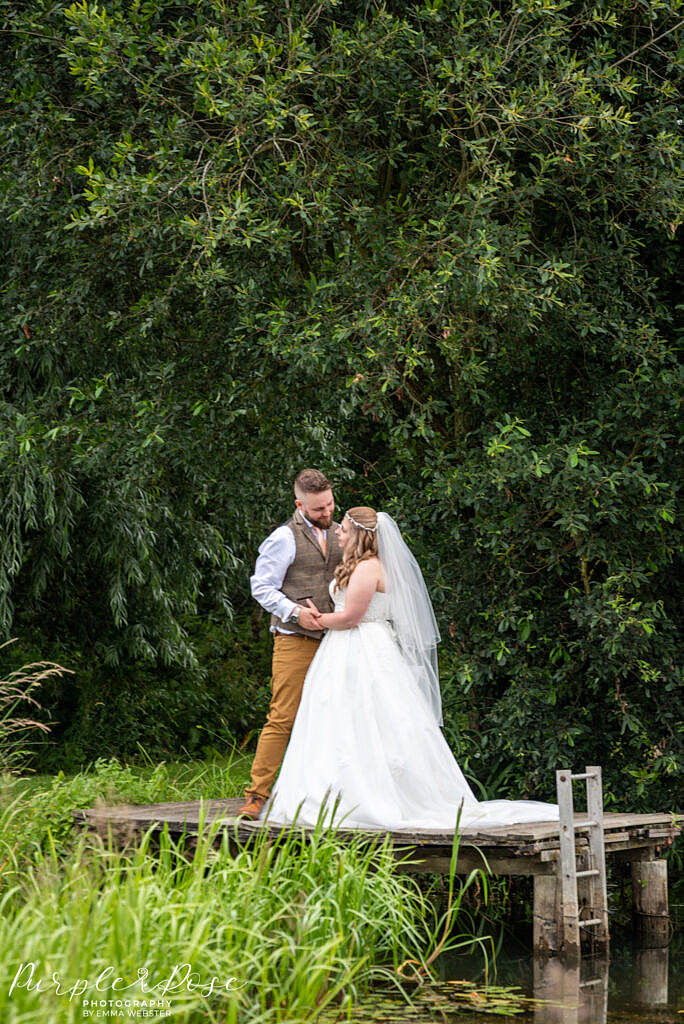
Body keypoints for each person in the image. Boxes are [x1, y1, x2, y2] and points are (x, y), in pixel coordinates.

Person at [259, 506, 560, 830]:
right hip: (345, 649)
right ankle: (336, 790)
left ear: (359, 535)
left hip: (363, 646)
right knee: (339, 716)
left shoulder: (367, 568)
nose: (338, 532)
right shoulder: (356, 565)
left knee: (371, 715)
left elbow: (350, 617)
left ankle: (369, 797)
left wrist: (317, 619)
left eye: (344, 529)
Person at [237, 469, 344, 820]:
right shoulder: (283, 538)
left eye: (328, 505)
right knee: (283, 716)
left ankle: (327, 796)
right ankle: (256, 796)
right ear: (299, 504)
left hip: (339, 639)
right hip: (296, 639)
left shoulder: (343, 531)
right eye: (318, 509)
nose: (326, 513)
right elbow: (261, 587)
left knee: (337, 716)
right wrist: (296, 613)